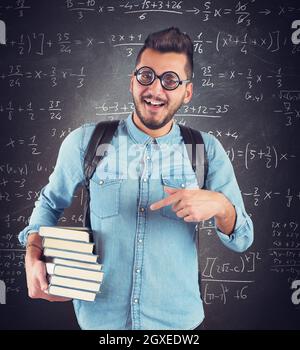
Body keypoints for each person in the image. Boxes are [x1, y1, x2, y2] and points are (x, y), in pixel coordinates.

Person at [19, 27, 254, 330]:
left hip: (178, 327)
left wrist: (222, 206)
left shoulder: (205, 151)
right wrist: (33, 250)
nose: (155, 90)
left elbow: (243, 239)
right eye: (146, 76)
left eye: (170, 80)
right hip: (99, 322)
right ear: (132, 82)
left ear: (187, 92)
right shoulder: (86, 142)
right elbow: (50, 202)